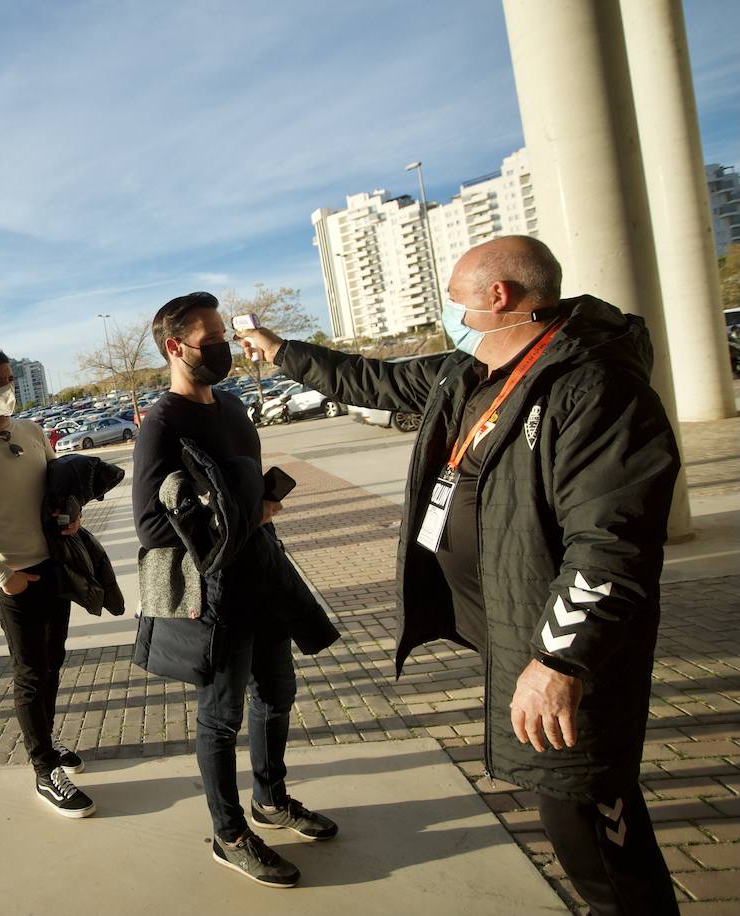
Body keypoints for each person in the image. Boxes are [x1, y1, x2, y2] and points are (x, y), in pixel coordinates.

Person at [237, 236, 681, 914]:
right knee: (564, 804)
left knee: (586, 814)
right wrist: (278, 350)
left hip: (564, 649)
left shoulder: (592, 387)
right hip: (513, 626)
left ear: (498, 297)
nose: (450, 314)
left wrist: (560, 660)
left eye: (455, 299)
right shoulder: (470, 371)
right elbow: (373, 382)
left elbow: (611, 545)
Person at [133, 292, 337, 889]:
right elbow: (150, 525)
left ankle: (270, 801)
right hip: (214, 590)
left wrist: (260, 502)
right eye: (212, 339)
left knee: (277, 693)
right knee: (220, 717)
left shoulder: (232, 406)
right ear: (176, 347)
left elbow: (247, 487)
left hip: (263, 575)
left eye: (224, 336)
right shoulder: (162, 422)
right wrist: (235, 513)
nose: (223, 347)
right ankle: (229, 833)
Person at [0, 349, 93, 817]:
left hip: (55, 567)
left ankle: (45, 742)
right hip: (15, 578)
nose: (9, 389)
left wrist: (72, 514)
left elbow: (58, 489)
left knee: (54, 662)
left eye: (10, 379)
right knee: (30, 672)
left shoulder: (30, 432)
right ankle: (44, 768)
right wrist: (4, 576)